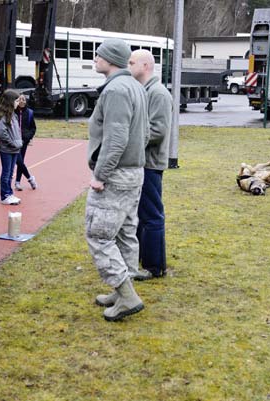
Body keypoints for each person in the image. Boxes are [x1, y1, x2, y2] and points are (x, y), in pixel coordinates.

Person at [85, 39, 149, 321]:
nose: (95, 58)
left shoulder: (117, 90)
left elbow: (116, 138)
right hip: (133, 172)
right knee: (123, 232)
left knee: (99, 234)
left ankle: (127, 295)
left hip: (117, 174)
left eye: (99, 55)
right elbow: (143, 134)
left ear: (110, 59)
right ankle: (121, 287)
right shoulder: (134, 86)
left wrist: (101, 175)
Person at [128, 49, 172, 280]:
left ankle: (154, 267)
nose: (128, 66)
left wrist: (129, 140)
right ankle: (143, 261)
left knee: (152, 214)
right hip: (141, 161)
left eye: (131, 62)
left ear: (145, 66)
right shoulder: (145, 91)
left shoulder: (158, 94)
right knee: (142, 214)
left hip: (150, 163)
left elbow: (158, 130)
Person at [0, 89, 23, 205]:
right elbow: (3, 132)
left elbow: (16, 130)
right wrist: (12, 143)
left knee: (11, 173)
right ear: (10, 102)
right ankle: (4, 195)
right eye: (16, 101)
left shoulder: (14, 115)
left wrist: (19, 142)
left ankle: (9, 193)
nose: (18, 103)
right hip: (6, 149)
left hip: (15, 149)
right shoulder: (2, 115)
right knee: (6, 173)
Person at [14, 94, 37, 191]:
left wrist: (28, 136)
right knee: (18, 161)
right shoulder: (12, 112)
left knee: (20, 161)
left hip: (24, 141)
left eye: (23, 99)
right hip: (14, 141)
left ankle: (17, 182)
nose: (21, 101)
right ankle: (30, 178)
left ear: (26, 101)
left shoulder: (30, 113)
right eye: (19, 99)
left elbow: (33, 127)